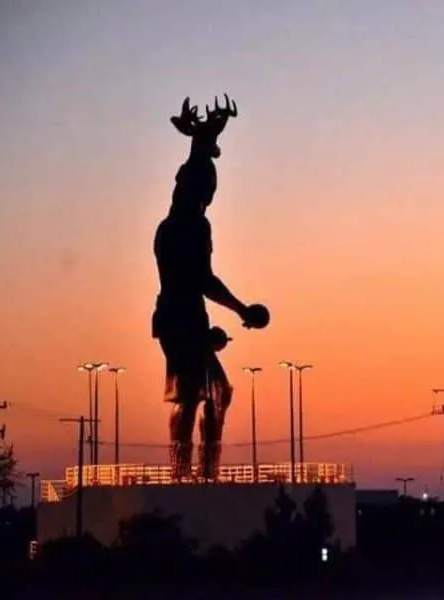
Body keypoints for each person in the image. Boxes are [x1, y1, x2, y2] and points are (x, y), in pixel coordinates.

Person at [152, 95, 258, 480]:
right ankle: (192, 471)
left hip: (178, 317)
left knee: (204, 393)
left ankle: (194, 468)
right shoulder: (192, 226)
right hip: (183, 317)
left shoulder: (168, 226)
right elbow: (202, 279)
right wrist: (241, 308)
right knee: (203, 393)